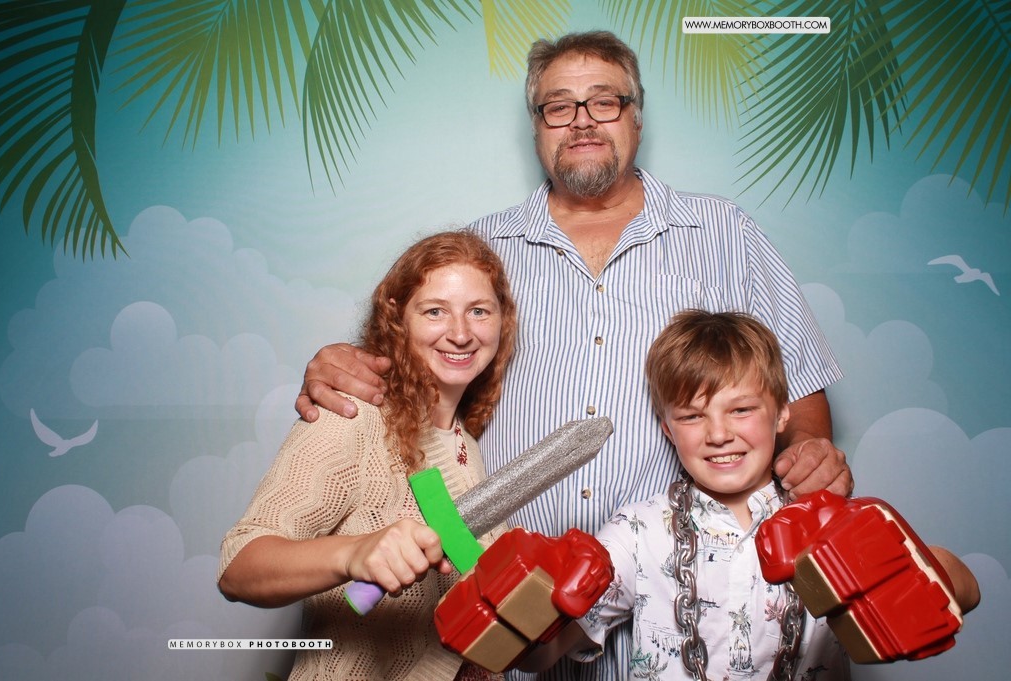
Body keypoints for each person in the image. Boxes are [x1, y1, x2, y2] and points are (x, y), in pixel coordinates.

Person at [295, 31, 849, 680]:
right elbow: (408, 388)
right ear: (536, 126)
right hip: (505, 614)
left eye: (604, 101)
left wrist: (812, 457)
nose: (582, 120)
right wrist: (341, 365)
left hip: (676, 621)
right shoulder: (479, 252)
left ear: (636, 116)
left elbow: (802, 402)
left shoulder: (725, 234)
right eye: (559, 106)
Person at [516, 310, 979, 679]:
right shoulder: (635, 533)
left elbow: (967, 590)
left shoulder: (830, 521)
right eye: (692, 416)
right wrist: (522, 615)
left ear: (782, 414)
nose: (719, 434)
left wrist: (915, 577)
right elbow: (542, 655)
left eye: (740, 410)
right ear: (667, 429)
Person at [218, 231, 517, 680]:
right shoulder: (353, 416)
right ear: (396, 318)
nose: (460, 333)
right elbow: (238, 568)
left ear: (501, 321)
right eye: (435, 311)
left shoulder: (468, 446)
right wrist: (352, 553)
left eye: (479, 311)